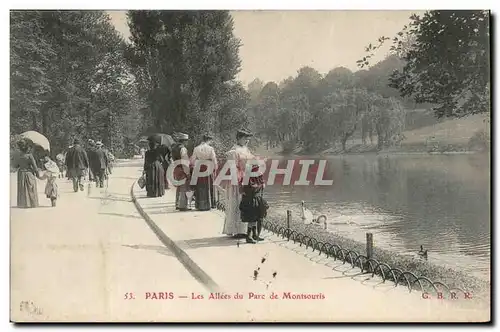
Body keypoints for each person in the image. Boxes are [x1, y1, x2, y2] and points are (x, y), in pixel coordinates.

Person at [222, 129, 256, 238]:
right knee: (236, 203)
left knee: (245, 203)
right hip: (237, 181)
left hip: (247, 178)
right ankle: (236, 230)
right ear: (238, 138)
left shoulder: (246, 149)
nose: (247, 140)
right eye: (244, 138)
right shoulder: (233, 151)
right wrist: (239, 181)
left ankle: (244, 229)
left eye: (248, 138)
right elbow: (233, 169)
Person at [239, 163, 269, 243]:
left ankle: (254, 235)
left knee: (256, 218)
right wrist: (260, 186)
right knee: (251, 219)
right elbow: (248, 189)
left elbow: (261, 185)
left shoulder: (258, 176)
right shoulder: (247, 178)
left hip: (256, 199)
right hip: (250, 200)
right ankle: (249, 236)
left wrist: (261, 185)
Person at [190, 134, 217, 211]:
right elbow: (214, 159)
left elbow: (192, 160)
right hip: (208, 167)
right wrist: (215, 168)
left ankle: (200, 204)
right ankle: (209, 204)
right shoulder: (210, 148)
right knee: (208, 185)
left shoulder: (196, 148)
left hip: (199, 167)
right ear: (209, 140)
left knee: (200, 186)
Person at [13, 139, 40, 208]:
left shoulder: (18, 156)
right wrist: (38, 174)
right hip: (28, 173)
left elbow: (15, 166)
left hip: (21, 173)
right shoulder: (29, 156)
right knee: (31, 188)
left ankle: (22, 204)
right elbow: (35, 167)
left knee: (22, 188)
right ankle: (32, 204)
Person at [171, 133, 192, 210]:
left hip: (176, 168)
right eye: (186, 141)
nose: (187, 143)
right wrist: (187, 172)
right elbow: (185, 161)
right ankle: (183, 205)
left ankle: (177, 203)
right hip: (182, 169)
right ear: (184, 141)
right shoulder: (183, 149)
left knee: (179, 187)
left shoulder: (174, 148)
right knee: (184, 187)